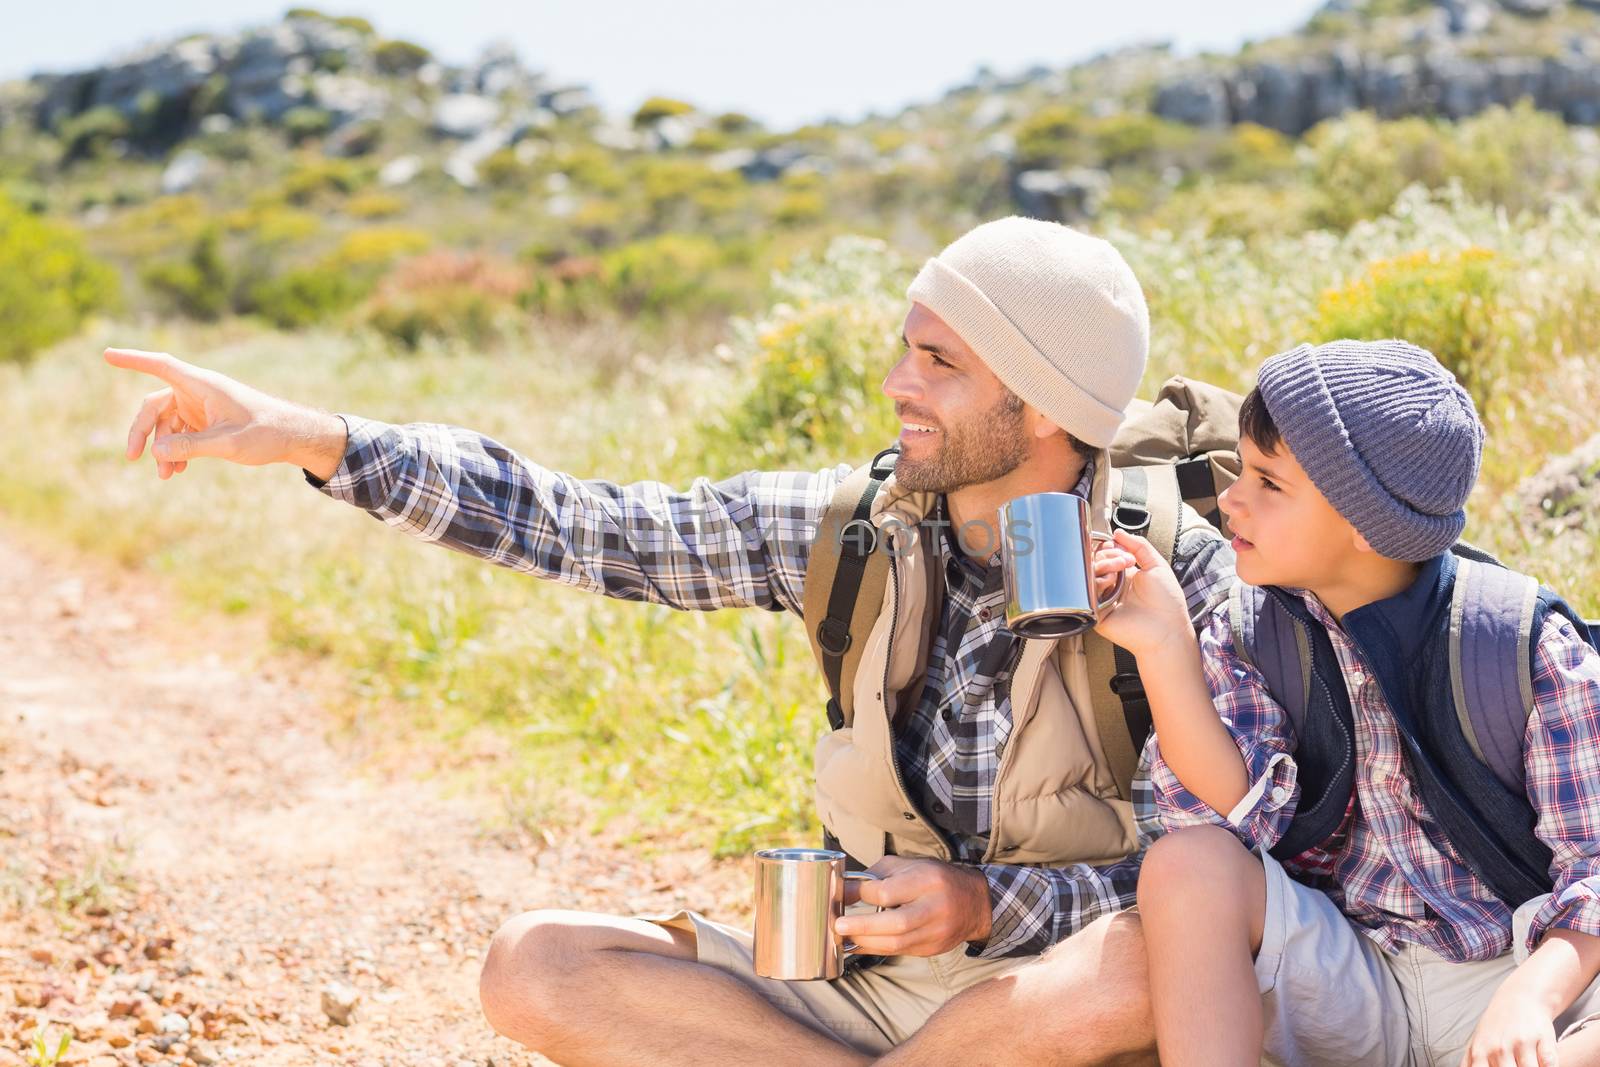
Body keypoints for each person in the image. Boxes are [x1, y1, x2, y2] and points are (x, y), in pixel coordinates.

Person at [107, 216, 1234, 1066]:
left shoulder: (1182, 565)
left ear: (1041, 403)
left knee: (1151, 964)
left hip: (1047, 994)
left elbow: (1250, 865)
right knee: (536, 963)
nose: (897, 384)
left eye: (940, 362)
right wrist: (312, 437)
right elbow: (583, 523)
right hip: (872, 984)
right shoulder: (849, 522)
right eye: (907, 348)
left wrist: (990, 905)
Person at [1091, 339, 1600, 1067]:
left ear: (1367, 523)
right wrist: (1166, 648)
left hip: (1519, 974)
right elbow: (1230, 815)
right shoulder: (1250, 628)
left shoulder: (1521, 646)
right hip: (1356, 976)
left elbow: (1595, 869)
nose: (1231, 497)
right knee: (1187, 862)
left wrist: (1532, 997)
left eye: (1269, 483)